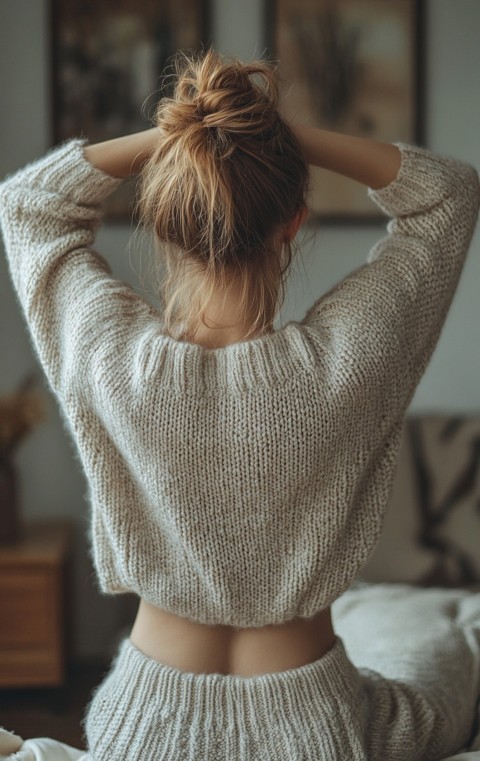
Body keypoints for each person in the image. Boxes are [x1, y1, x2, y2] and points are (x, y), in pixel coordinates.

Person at [0, 49, 479, 761]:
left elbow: (29, 203)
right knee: (451, 646)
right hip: (318, 729)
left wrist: (184, 136)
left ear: (162, 221)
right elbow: (448, 192)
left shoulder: (110, 356)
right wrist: (280, 138)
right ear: (293, 220)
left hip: (143, 731)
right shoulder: (350, 359)